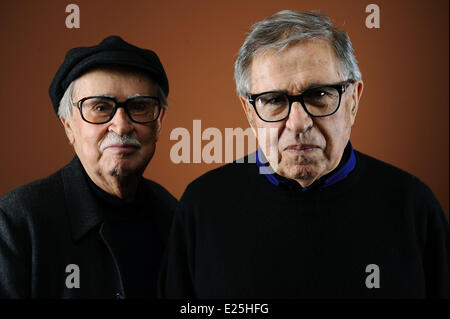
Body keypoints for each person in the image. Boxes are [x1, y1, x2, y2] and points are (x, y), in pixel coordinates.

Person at [161, 10, 448, 298]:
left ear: (353, 100)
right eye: (274, 100)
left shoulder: (413, 207)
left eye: (319, 95)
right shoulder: (202, 206)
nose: (298, 123)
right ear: (250, 113)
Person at [0, 36, 176, 298]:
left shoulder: (174, 216)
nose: (122, 125)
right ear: (68, 126)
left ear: (158, 122)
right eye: (101, 107)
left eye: (139, 107)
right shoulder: (16, 222)